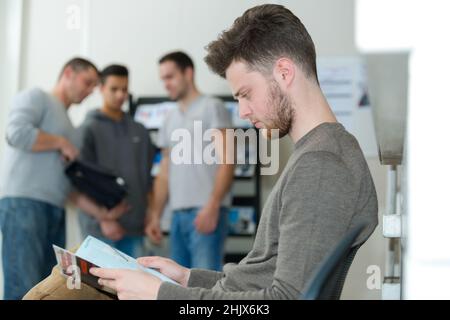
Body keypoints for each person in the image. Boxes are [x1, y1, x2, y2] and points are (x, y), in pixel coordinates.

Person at [25, 4, 379, 300]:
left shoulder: (321, 164)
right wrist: (186, 278)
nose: (242, 110)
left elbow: (281, 301)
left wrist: (161, 295)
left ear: (283, 72)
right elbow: (265, 282)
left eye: (245, 93)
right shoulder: (318, 155)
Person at [0, 57, 128, 300]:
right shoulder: (36, 97)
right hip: (23, 205)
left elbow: (66, 186)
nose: (91, 90)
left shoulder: (68, 124)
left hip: (54, 210)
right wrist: (60, 142)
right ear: (68, 73)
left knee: (49, 290)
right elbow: (15, 133)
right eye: (87, 82)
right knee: (22, 285)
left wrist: (102, 214)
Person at [145, 51, 235, 271]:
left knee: (205, 284)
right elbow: (165, 171)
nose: (166, 84)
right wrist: (155, 215)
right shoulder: (169, 118)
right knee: (175, 284)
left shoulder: (212, 107)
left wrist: (212, 206)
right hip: (177, 216)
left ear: (188, 73)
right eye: (163, 79)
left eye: (170, 77)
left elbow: (228, 161)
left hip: (205, 212)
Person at [77, 64, 156, 258]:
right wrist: (102, 219)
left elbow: (149, 179)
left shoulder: (140, 131)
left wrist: (152, 216)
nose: (120, 95)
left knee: (134, 288)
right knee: (98, 288)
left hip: (135, 229)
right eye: (114, 89)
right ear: (101, 89)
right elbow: (80, 180)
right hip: (99, 230)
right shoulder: (88, 129)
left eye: (124, 89)